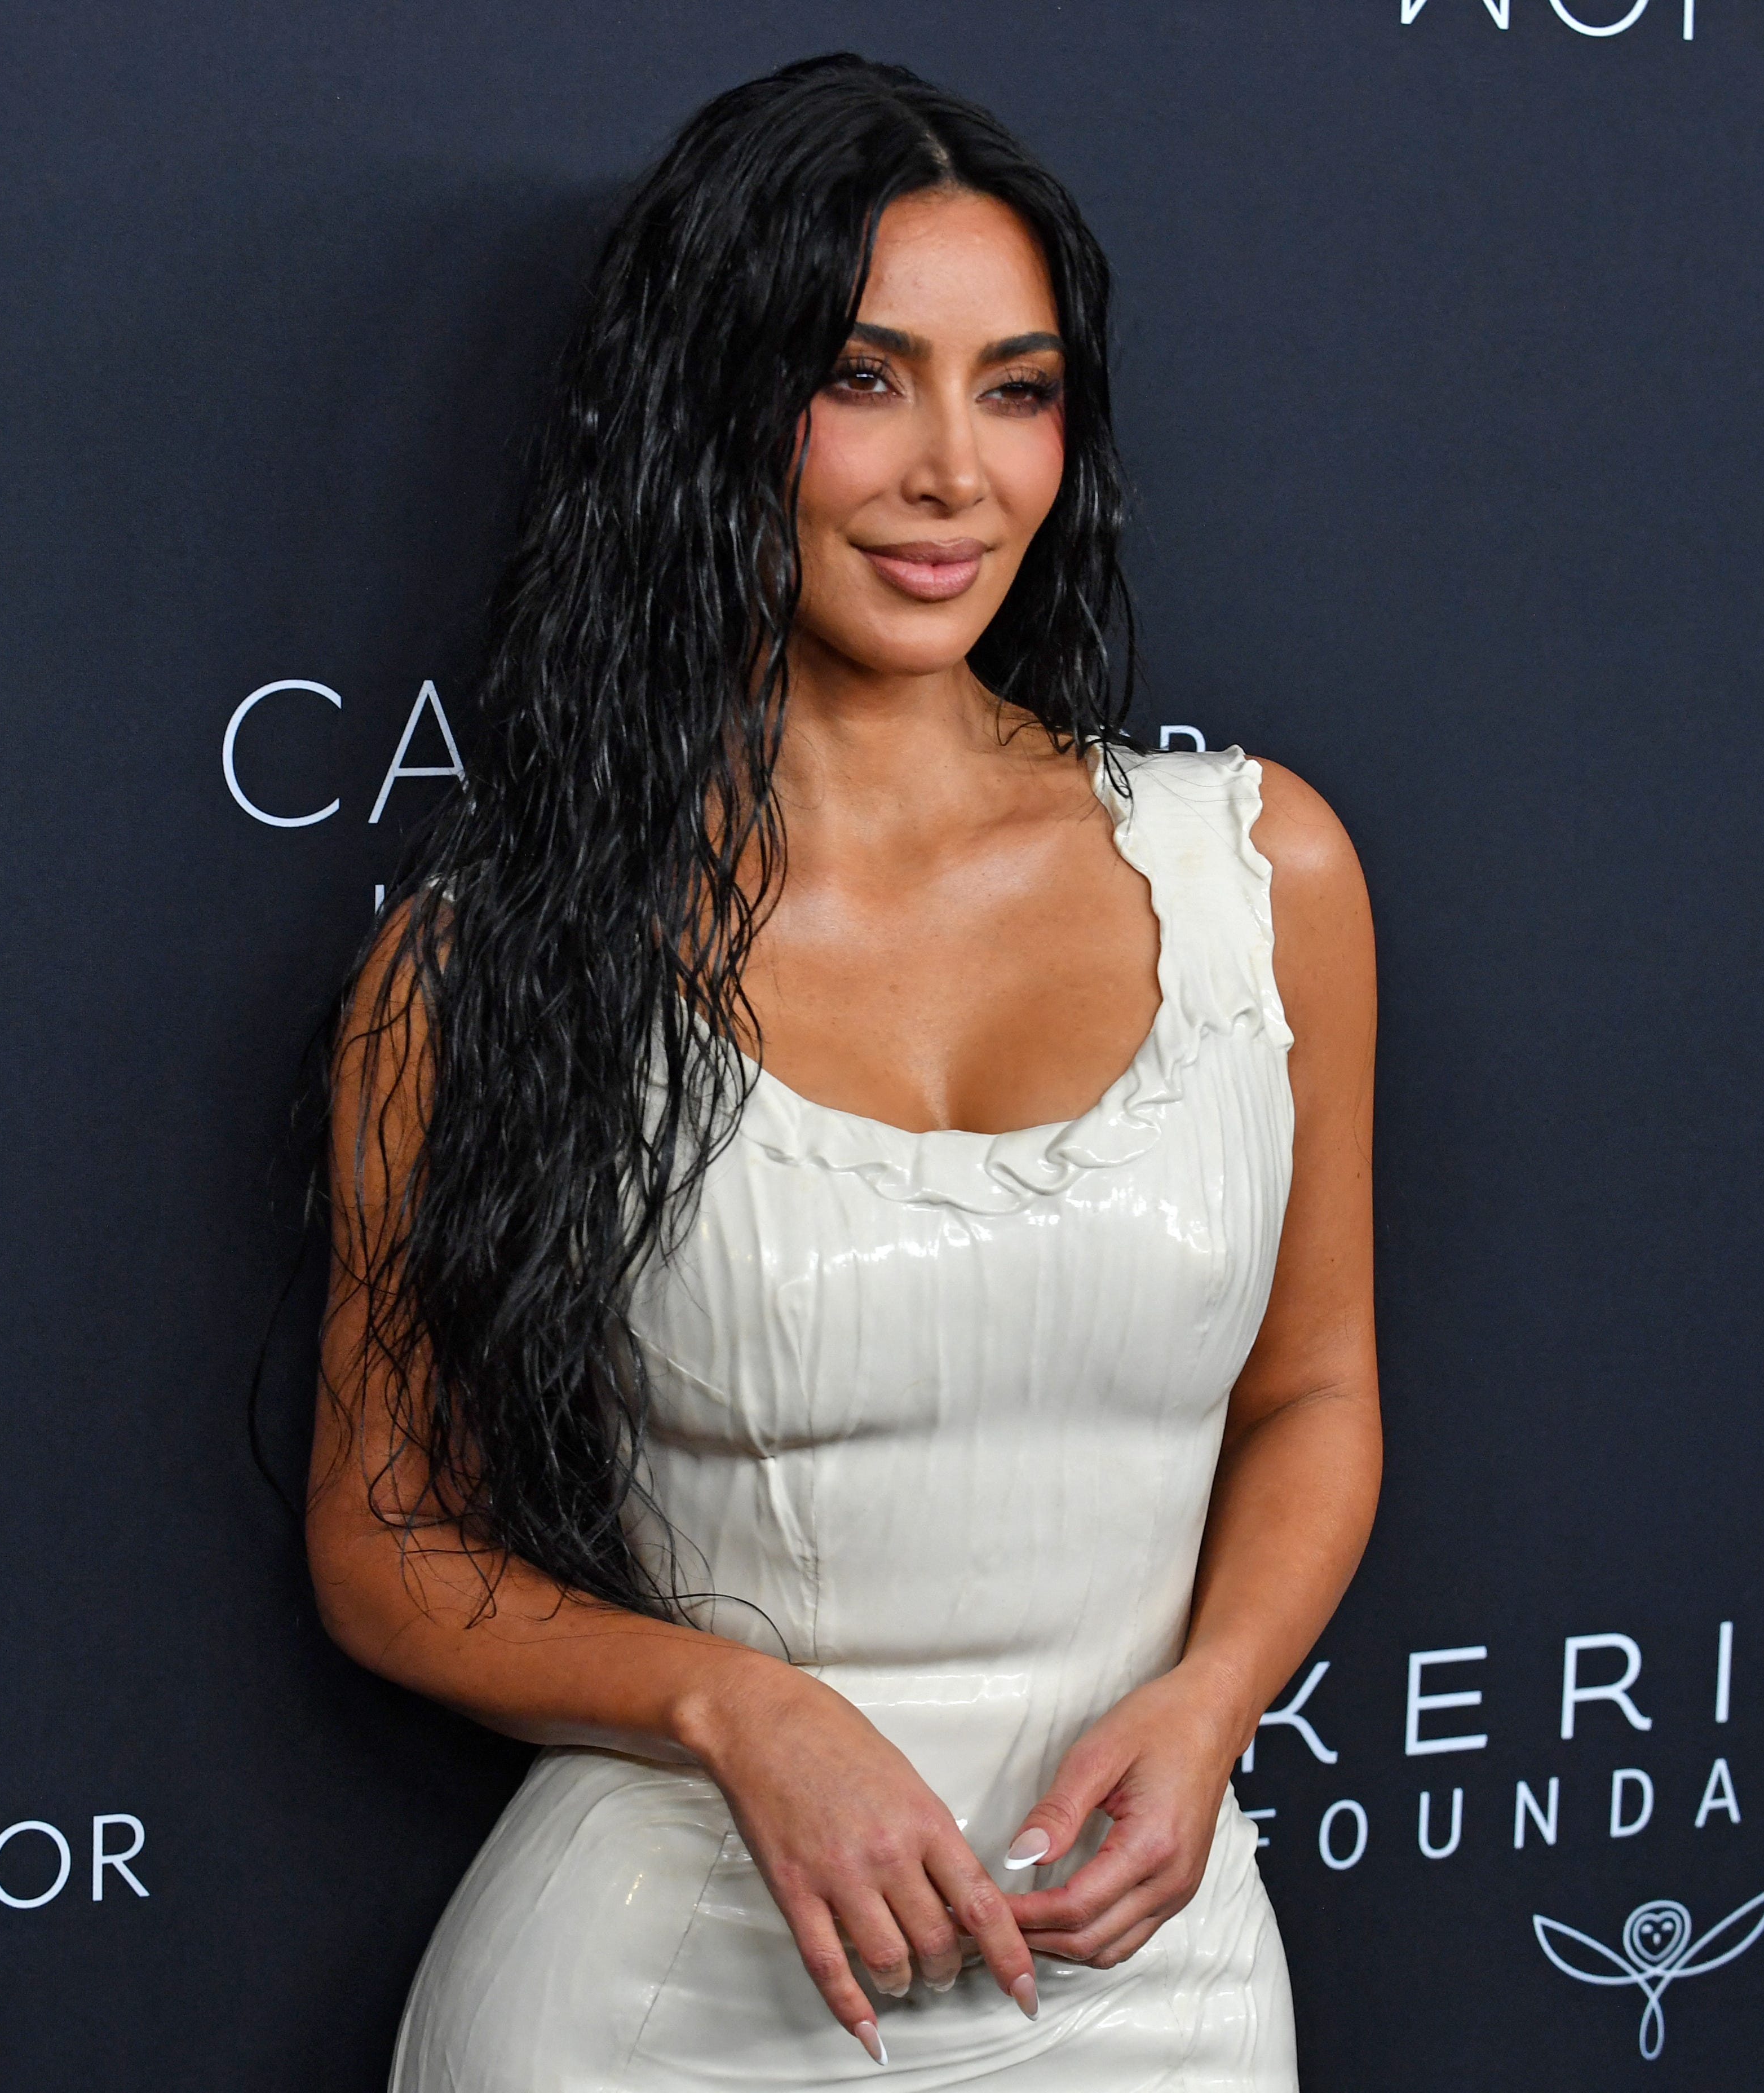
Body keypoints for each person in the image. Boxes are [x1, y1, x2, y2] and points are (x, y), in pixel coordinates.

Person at [310, 53, 1381, 2091]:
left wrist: (1216, 1699)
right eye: (866, 378)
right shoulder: (492, 962)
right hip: (659, 1989)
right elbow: (386, 1538)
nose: (953, 473)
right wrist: (739, 1712)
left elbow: (1319, 1390)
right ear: (719, 406)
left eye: (1019, 386)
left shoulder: (1265, 876)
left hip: (1146, 1978)